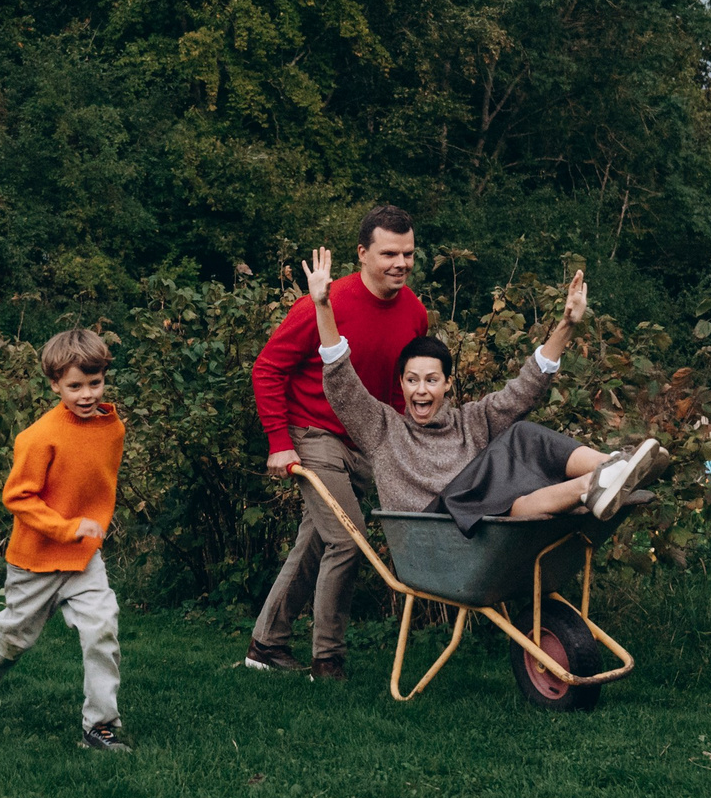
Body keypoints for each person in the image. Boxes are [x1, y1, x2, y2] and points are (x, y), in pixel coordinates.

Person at [300, 248, 666, 531]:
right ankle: (611, 469)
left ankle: (599, 478)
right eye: (412, 380)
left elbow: (523, 391)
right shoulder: (384, 430)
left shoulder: (470, 422)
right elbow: (343, 384)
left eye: (431, 380)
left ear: (447, 384)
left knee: (513, 485)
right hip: (432, 529)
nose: (421, 390)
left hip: (481, 531)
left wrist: (567, 325)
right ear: (402, 384)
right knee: (518, 439)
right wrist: (323, 305)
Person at [243, 204, 429, 679]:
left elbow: (398, 386)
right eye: (389, 254)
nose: (401, 264)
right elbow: (267, 369)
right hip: (313, 433)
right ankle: (327, 659)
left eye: (408, 254)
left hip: (364, 440)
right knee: (348, 539)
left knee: (315, 541)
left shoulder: (414, 312)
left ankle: (266, 645)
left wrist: (400, 440)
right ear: (363, 253)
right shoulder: (324, 303)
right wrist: (279, 441)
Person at [0, 328, 132, 751]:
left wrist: (88, 530)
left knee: (102, 628)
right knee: (15, 638)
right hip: (36, 561)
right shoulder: (38, 436)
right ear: (54, 385)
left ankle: (99, 726)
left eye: (95, 383)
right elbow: (18, 497)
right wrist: (68, 527)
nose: (87, 394)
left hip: (83, 558)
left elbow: (96, 485)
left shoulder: (112, 429)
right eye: (75, 386)